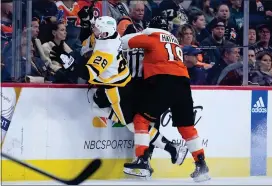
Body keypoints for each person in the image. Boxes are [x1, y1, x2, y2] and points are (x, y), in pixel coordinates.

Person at [50, 15, 188, 176]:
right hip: (123, 84)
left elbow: (89, 73)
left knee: (134, 126)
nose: (94, 29)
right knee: (97, 108)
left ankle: (173, 149)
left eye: (97, 28)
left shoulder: (105, 50)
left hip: (116, 91)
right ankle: (166, 151)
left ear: (104, 32)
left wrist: (72, 66)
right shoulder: (114, 37)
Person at [121, 16, 210, 182]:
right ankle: (201, 165)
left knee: (141, 120)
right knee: (187, 127)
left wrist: (140, 33)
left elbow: (125, 42)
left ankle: (141, 161)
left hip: (163, 81)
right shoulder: (174, 41)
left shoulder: (152, 37)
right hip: (183, 83)